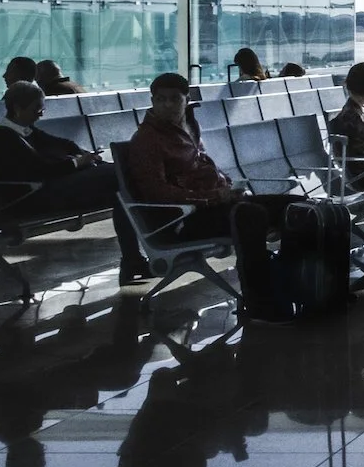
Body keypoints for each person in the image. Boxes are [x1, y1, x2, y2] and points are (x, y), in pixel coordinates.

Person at [119, 74, 298, 305]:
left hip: (211, 206)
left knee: (294, 207)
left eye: (174, 99)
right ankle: (261, 301)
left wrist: (226, 186)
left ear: (187, 99)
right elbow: (156, 193)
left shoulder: (188, 126)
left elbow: (203, 164)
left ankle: (297, 279)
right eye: (160, 99)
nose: (167, 105)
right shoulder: (147, 140)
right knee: (252, 216)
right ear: (152, 101)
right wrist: (212, 197)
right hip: (182, 220)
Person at [0, 80, 146, 282]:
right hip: (34, 197)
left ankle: (133, 258)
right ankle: (142, 252)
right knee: (119, 175)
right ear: (17, 108)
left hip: (52, 189)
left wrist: (80, 154)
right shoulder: (4, 139)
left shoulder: (26, 130)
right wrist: (78, 163)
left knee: (120, 192)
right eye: (37, 109)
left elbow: (63, 144)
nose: (41, 113)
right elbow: (41, 171)